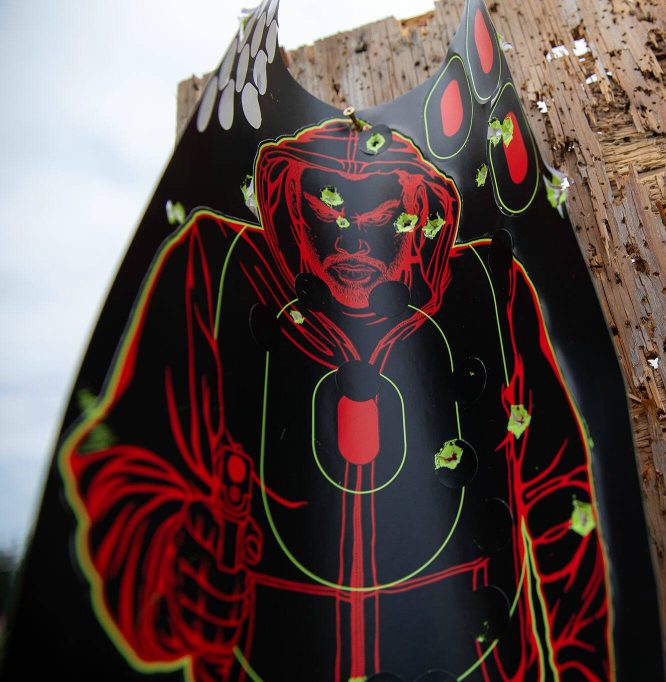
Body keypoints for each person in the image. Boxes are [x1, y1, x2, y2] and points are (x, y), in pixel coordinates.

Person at [62, 120, 613, 681]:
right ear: (288, 210)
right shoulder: (216, 270)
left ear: (419, 216)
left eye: (381, 220)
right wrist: (171, 571)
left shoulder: (488, 289)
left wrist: (583, 670)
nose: (352, 242)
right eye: (327, 216)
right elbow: (128, 461)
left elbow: (559, 493)